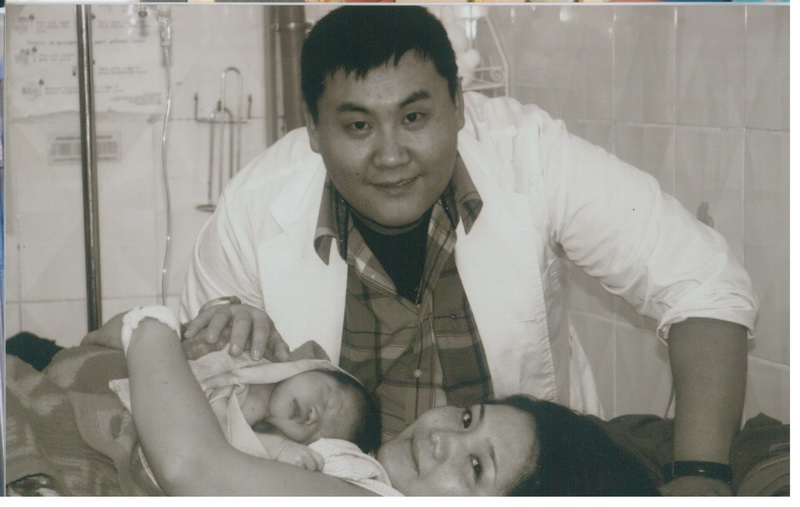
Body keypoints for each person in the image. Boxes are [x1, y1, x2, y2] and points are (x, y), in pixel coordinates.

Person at [179, 5, 757, 496]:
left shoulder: (528, 155)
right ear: (312, 128)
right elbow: (186, 407)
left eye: (414, 117)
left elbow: (703, 283)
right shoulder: (253, 208)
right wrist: (214, 345)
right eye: (357, 126)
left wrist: (700, 477)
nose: (391, 156)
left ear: (459, 105)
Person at [102, 309, 661, 496]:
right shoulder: (345, 455)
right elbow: (96, 352)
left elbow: (190, 467)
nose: (441, 437)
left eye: (475, 468)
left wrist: (152, 325)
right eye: (467, 418)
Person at [83, 307, 383, 478]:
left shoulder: (262, 439)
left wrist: (279, 449)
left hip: (123, 420)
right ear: (310, 367)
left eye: (320, 430)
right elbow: (190, 333)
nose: (314, 414)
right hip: (126, 363)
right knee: (147, 321)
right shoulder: (258, 349)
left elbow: (228, 446)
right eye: (327, 398)